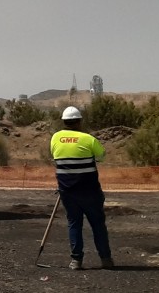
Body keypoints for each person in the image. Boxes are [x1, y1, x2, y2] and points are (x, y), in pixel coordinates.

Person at [50, 106, 113, 270]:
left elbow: (54, 155)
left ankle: (76, 260)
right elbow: (102, 156)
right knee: (98, 224)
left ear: (64, 121)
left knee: (74, 224)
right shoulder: (88, 139)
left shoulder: (56, 138)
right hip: (89, 191)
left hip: (67, 191)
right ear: (79, 122)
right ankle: (105, 259)